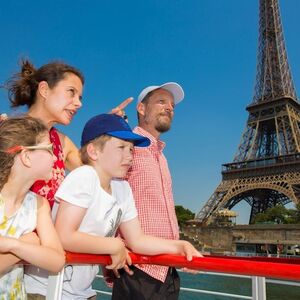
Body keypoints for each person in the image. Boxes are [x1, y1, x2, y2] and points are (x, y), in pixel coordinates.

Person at [4, 59, 132, 298]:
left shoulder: (61, 143)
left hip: (39, 263)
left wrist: (108, 132)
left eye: (81, 97)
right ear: (44, 90)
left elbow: (96, 165)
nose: (78, 103)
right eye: (71, 93)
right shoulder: (8, 133)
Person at [51, 113, 200, 299]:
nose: (129, 156)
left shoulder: (122, 189)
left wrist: (179, 246)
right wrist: (113, 245)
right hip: (50, 288)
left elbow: (136, 240)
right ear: (93, 151)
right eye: (121, 147)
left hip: (81, 292)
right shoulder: (84, 176)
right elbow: (63, 235)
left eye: (131, 149)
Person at [114, 82, 187, 299]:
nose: (169, 108)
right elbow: (105, 189)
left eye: (172, 105)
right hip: (139, 268)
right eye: (161, 101)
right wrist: (111, 131)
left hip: (168, 269)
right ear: (141, 108)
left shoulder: (161, 156)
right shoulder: (126, 144)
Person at [0, 116, 65, 299]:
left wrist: (15, 244)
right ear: (27, 156)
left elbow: (57, 260)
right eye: (49, 150)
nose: (55, 157)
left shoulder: (38, 204)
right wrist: (31, 243)